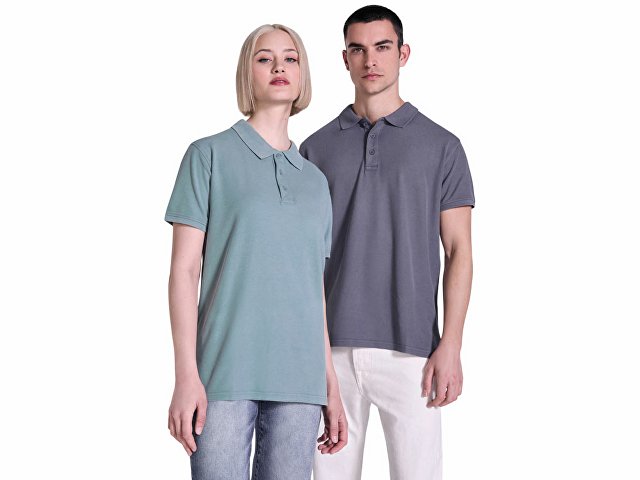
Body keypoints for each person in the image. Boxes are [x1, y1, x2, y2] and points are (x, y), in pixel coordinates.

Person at [164, 24, 347, 480]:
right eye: (265, 58)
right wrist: (186, 375)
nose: (279, 66)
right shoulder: (207, 155)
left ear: (302, 75)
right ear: (247, 73)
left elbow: (314, 291)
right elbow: (184, 272)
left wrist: (330, 383)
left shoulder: (315, 181)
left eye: (291, 58)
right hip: (224, 374)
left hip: (301, 384)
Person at [299, 5, 475, 480]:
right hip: (329, 351)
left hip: (412, 350)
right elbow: (302, 258)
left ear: (403, 53)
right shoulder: (314, 149)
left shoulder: (442, 146)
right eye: (358, 49)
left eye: (382, 47)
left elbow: (459, 250)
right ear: (345, 59)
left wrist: (451, 344)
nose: (370, 60)